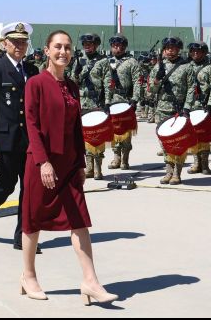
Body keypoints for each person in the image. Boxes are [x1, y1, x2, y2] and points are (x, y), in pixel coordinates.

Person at [20, 30, 118, 305]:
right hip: (42, 164)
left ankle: (90, 281)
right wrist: (43, 162)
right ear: (47, 50)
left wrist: (80, 163)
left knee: (80, 222)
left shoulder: (72, 86)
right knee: (33, 222)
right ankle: (28, 276)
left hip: (69, 165)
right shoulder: (36, 84)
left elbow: (77, 128)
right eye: (57, 47)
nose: (63, 51)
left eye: (67, 47)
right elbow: (32, 126)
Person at [0, 22, 41, 252]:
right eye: (15, 42)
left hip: (30, 141)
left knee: (30, 189)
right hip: (6, 140)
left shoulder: (32, 70)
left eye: (23, 42)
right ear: (5, 44)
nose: (20, 46)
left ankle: (23, 236)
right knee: (7, 184)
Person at [93, 35, 140, 170]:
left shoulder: (131, 62)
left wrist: (135, 99)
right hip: (110, 101)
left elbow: (138, 81)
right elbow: (97, 79)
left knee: (125, 132)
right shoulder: (106, 61)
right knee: (113, 131)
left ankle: (125, 159)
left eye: (120, 46)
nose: (117, 48)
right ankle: (116, 157)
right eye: (114, 46)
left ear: (124, 47)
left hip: (125, 101)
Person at [149, 37, 190, 184]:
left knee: (178, 142)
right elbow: (150, 91)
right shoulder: (158, 67)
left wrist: (187, 107)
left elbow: (191, 89)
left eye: (173, 48)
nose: (170, 50)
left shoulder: (186, 67)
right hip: (162, 109)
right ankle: (168, 172)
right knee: (165, 142)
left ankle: (177, 173)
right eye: (167, 48)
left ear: (178, 49)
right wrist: (156, 80)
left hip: (178, 109)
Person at [72, 34, 107, 179]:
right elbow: (74, 82)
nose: (87, 46)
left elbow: (108, 82)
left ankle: (98, 168)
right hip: (82, 103)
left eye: (90, 44)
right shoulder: (79, 60)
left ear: (96, 45)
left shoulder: (103, 61)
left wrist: (107, 103)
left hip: (97, 103)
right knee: (85, 137)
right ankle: (89, 167)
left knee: (97, 137)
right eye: (85, 43)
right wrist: (76, 72)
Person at [184, 42, 211, 174]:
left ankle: (205, 164)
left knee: (204, 135)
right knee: (193, 136)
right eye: (193, 51)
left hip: (204, 106)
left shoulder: (210, 68)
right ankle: (196, 163)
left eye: (199, 51)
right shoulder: (186, 67)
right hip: (190, 106)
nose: (196, 54)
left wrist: (210, 104)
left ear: (204, 53)